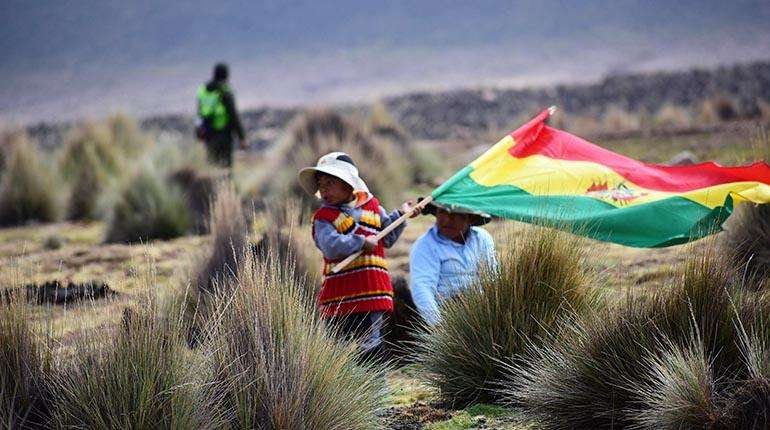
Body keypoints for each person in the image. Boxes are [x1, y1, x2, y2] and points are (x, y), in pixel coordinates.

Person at [298, 152, 418, 356]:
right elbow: (330, 246)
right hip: (340, 295)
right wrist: (361, 242)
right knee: (337, 350)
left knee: (371, 345)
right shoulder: (323, 218)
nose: (323, 189)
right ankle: (340, 386)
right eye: (321, 183)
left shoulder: (373, 208)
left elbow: (386, 237)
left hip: (372, 291)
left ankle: (376, 388)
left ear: (348, 184)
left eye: (330, 182)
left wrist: (402, 215)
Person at [409, 202, 496, 326]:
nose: (447, 219)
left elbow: (491, 278)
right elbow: (422, 287)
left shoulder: (482, 239)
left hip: (481, 314)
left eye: (456, 214)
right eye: (442, 212)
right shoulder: (425, 245)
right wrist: (438, 326)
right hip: (445, 316)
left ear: (469, 218)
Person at [196, 63, 245, 167]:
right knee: (226, 168)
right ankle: (225, 183)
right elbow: (233, 115)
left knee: (212, 165)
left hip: (208, 134)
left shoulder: (203, 90)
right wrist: (242, 137)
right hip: (223, 134)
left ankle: (210, 183)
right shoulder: (225, 90)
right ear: (226, 76)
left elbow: (200, 112)